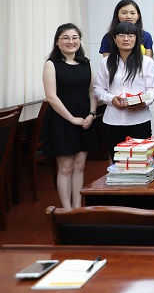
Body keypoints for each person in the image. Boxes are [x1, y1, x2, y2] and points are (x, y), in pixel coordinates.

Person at [42, 24, 99, 208]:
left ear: (79, 41)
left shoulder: (86, 63)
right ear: (57, 42)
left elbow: (92, 91)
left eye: (75, 38)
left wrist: (92, 113)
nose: (70, 41)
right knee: (66, 167)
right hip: (62, 120)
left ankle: (77, 207)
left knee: (80, 165)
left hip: (85, 119)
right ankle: (66, 210)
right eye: (65, 38)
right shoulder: (51, 64)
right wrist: (71, 119)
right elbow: (51, 97)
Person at [93, 21, 154, 160]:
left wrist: (143, 103)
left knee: (140, 162)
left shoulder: (146, 62)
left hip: (140, 121)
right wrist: (111, 99)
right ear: (114, 39)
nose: (126, 39)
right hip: (112, 121)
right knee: (118, 162)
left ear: (137, 39)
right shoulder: (106, 62)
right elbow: (98, 88)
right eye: (121, 35)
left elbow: (152, 89)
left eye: (130, 35)